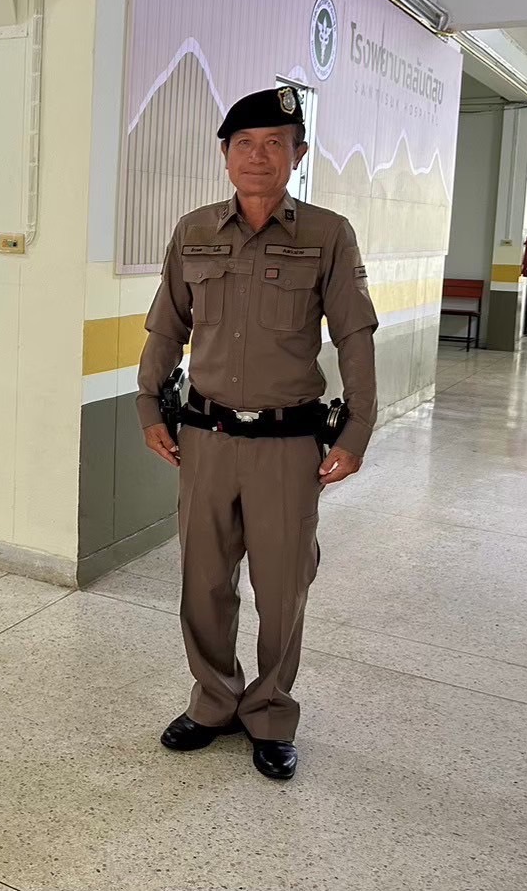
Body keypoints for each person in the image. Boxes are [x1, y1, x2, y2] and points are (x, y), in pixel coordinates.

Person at [136, 87, 378, 781]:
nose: (258, 156)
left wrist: (356, 429)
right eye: (244, 143)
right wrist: (148, 407)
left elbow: (354, 334)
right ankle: (214, 701)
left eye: (275, 143)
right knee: (203, 583)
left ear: (297, 155)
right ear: (224, 156)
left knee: (282, 589)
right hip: (205, 439)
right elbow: (166, 325)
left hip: (286, 446)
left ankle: (269, 712)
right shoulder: (193, 230)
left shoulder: (327, 234)